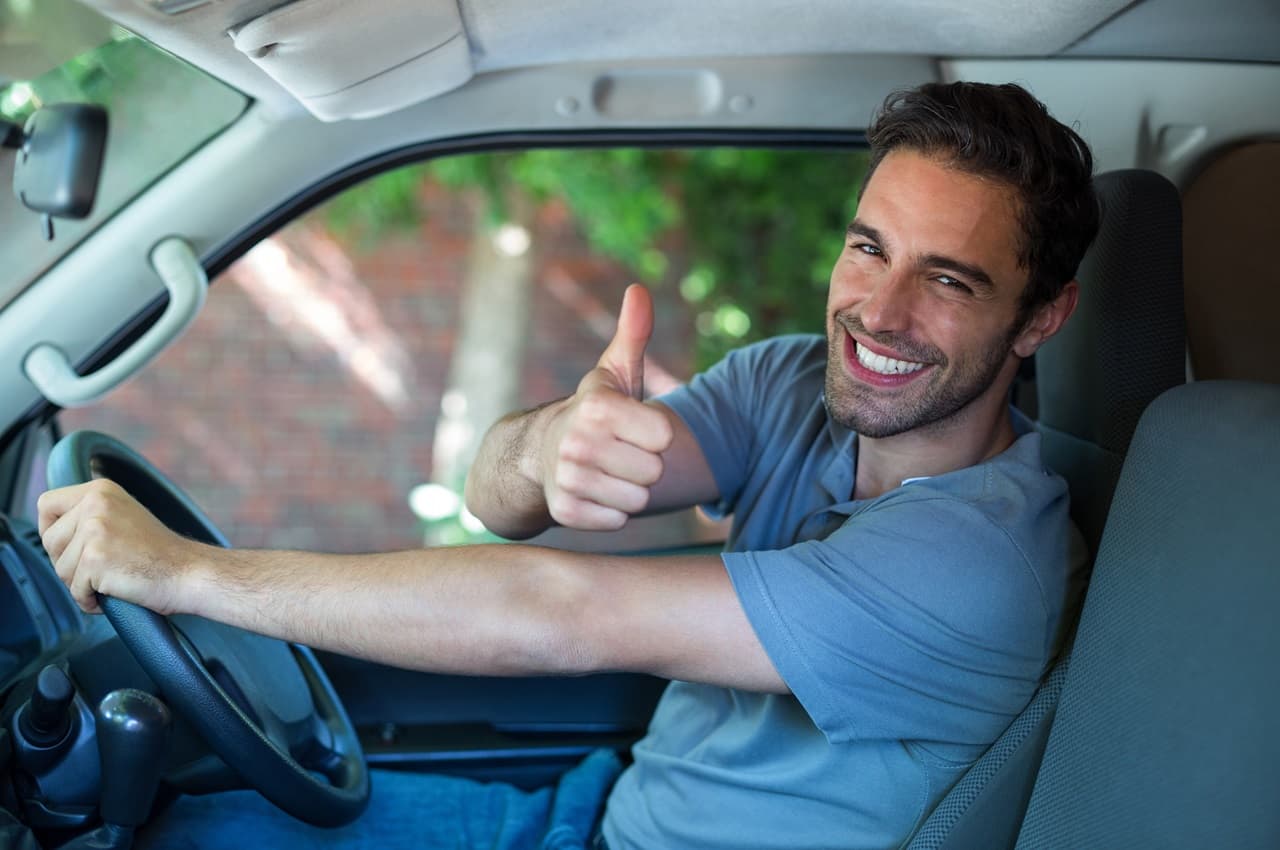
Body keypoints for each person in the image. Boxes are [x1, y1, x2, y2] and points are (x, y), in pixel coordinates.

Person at [38, 81, 1098, 850]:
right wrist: (546, 450)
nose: (877, 309)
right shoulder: (789, 386)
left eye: (947, 280)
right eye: (868, 246)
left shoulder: (981, 561)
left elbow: (553, 611)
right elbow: (497, 505)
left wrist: (184, 573)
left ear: (1038, 318)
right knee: (181, 830)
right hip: (592, 813)